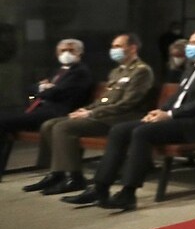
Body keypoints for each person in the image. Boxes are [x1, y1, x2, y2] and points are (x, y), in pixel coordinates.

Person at [62, 28, 195, 211]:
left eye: (194, 43)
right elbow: (178, 96)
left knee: (142, 132)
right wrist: (160, 110)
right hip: (177, 119)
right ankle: (100, 188)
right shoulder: (192, 68)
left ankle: (128, 193)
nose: (189, 47)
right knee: (119, 130)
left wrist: (170, 114)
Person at [25, 34, 155, 196]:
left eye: (118, 46)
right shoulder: (117, 71)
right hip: (105, 114)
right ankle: (57, 173)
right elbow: (105, 99)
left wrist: (92, 112)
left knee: (63, 127)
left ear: (133, 48)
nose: (113, 50)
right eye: (113, 46)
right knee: (48, 125)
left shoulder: (141, 71)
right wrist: (85, 109)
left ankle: (74, 177)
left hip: (121, 118)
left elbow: (127, 104)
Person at [0, 39, 94, 142]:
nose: (66, 53)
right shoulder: (60, 70)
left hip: (57, 113)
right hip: (41, 109)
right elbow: (31, 88)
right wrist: (43, 87)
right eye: (63, 50)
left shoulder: (80, 72)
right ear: (57, 53)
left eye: (71, 50)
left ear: (79, 52)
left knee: (4, 121)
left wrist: (44, 89)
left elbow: (55, 93)